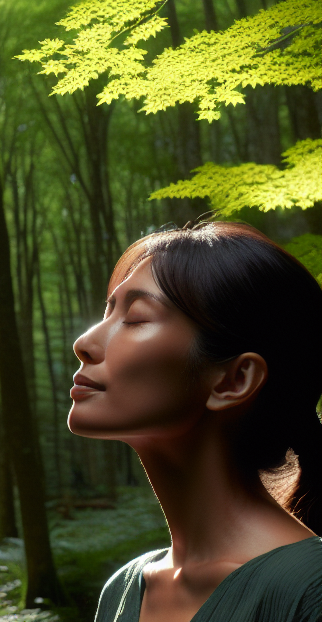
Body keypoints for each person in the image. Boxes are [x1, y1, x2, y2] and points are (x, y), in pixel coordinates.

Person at [69, 221, 321, 622]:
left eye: (134, 318)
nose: (84, 343)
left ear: (233, 381)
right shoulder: (122, 590)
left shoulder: (309, 592)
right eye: (107, 311)